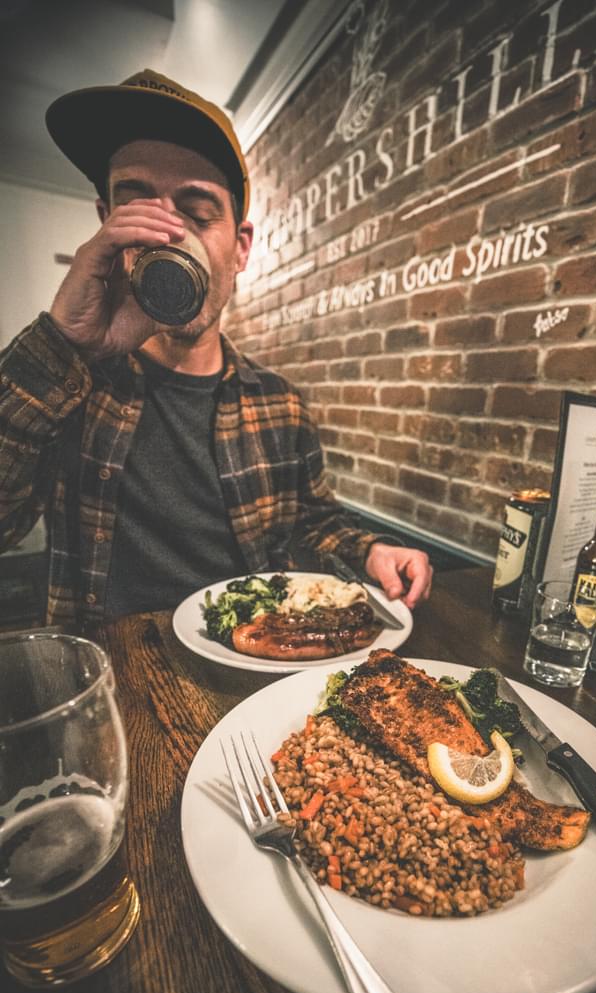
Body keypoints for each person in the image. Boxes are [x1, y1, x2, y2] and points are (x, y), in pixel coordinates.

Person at [0, 69, 432, 627]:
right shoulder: (69, 387)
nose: (168, 236)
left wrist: (371, 549)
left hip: (256, 669)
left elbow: (312, 523)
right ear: (108, 225)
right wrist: (62, 345)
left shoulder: (280, 403)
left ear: (240, 247)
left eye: (198, 214)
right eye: (137, 211)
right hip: (112, 685)